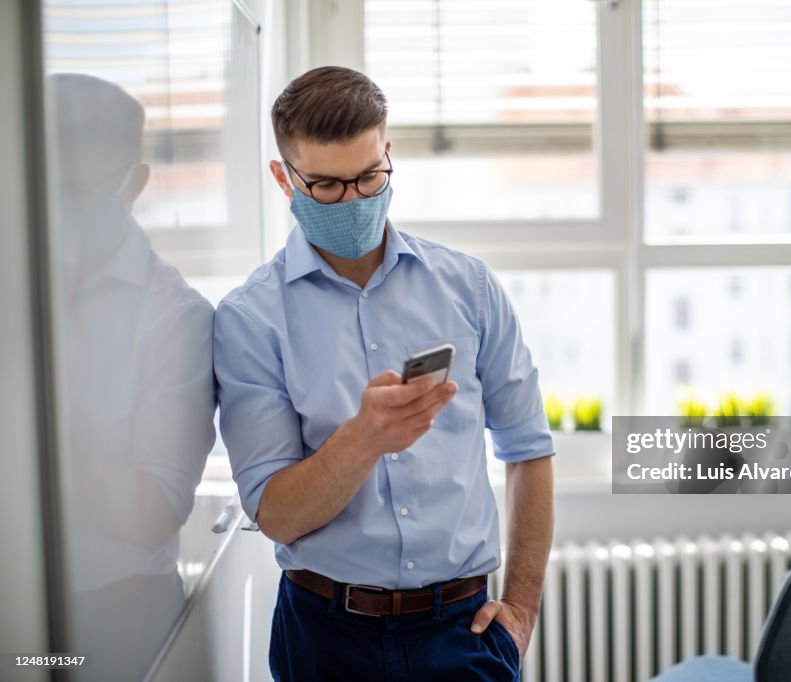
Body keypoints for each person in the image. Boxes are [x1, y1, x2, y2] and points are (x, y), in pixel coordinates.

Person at [213, 66, 555, 681]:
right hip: (324, 638)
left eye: (370, 177)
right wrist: (364, 440)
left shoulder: (469, 288)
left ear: (388, 154)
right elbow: (277, 516)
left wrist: (523, 609)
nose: (353, 200)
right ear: (283, 178)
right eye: (326, 185)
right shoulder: (250, 319)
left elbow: (528, 447)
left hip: (464, 631)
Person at [50, 73, 216, 682]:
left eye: (77, 191)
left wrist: (37, 448)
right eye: (44, 186)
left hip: (120, 614)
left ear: (135, 183)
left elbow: (153, 512)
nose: (56, 208)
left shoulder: (175, 317)